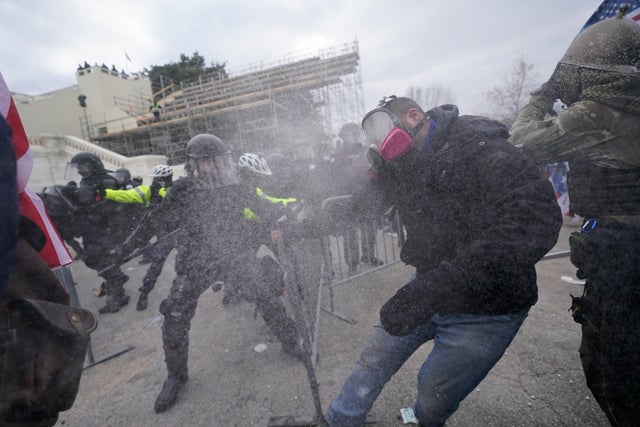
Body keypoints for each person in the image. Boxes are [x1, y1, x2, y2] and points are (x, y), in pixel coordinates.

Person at [325, 96, 562, 427]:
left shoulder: (479, 146)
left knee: (434, 393)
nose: (381, 144)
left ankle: (420, 420)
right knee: (376, 354)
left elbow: (534, 217)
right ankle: (339, 420)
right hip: (431, 286)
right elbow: (362, 208)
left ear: (414, 115)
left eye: (383, 128)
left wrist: (442, 284)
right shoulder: (403, 166)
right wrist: (304, 228)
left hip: (487, 307)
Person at [509, 9, 640, 426]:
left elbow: (521, 143)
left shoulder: (599, 114)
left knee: (612, 367)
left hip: (625, 255)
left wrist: (542, 96)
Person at [133, 135, 301, 413]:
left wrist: (285, 216)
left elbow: (264, 207)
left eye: (218, 160)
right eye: (207, 161)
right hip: (196, 260)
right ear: (195, 164)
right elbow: (157, 220)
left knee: (265, 295)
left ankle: (291, 342)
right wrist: (135, 240)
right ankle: (176, 376)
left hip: (234, 253)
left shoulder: (237, 185)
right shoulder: (183, 189)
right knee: (175, 314)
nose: (214, 166)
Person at [65, 152, 132, 313]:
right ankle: (117, 285)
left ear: (92, 165)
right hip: (92, 230)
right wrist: (72, 196)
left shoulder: (106, 181)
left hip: (107, 230)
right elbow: (85, 200)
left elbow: (110, 206)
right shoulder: (87, 181)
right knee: (94, 259)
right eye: (78, 167)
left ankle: (117, 293)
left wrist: (85, 211)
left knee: (101, 260)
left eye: (83, 166)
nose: (80, 170)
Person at [104, 164, 175, 311]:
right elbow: (126, 195)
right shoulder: (148, 190)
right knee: (139, 249)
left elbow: (172, 195)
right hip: (153, 224)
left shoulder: (175, 190)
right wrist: (105, 193)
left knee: (161, 261)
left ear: (169, 179)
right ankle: (144, 293)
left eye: (162, 179)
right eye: (157, 179)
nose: (159, 182)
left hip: (172, 231)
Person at [333, 122, 383, 273]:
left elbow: (373, 168)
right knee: (350, 233)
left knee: (369, 228)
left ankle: (368, 256)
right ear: (343, 136)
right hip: (347, 198)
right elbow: (335, 176)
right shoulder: (338, 153)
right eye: (351, 133)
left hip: (365, 195)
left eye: (356, 132)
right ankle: (352, 263)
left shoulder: (365, 150)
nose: (354, 136)